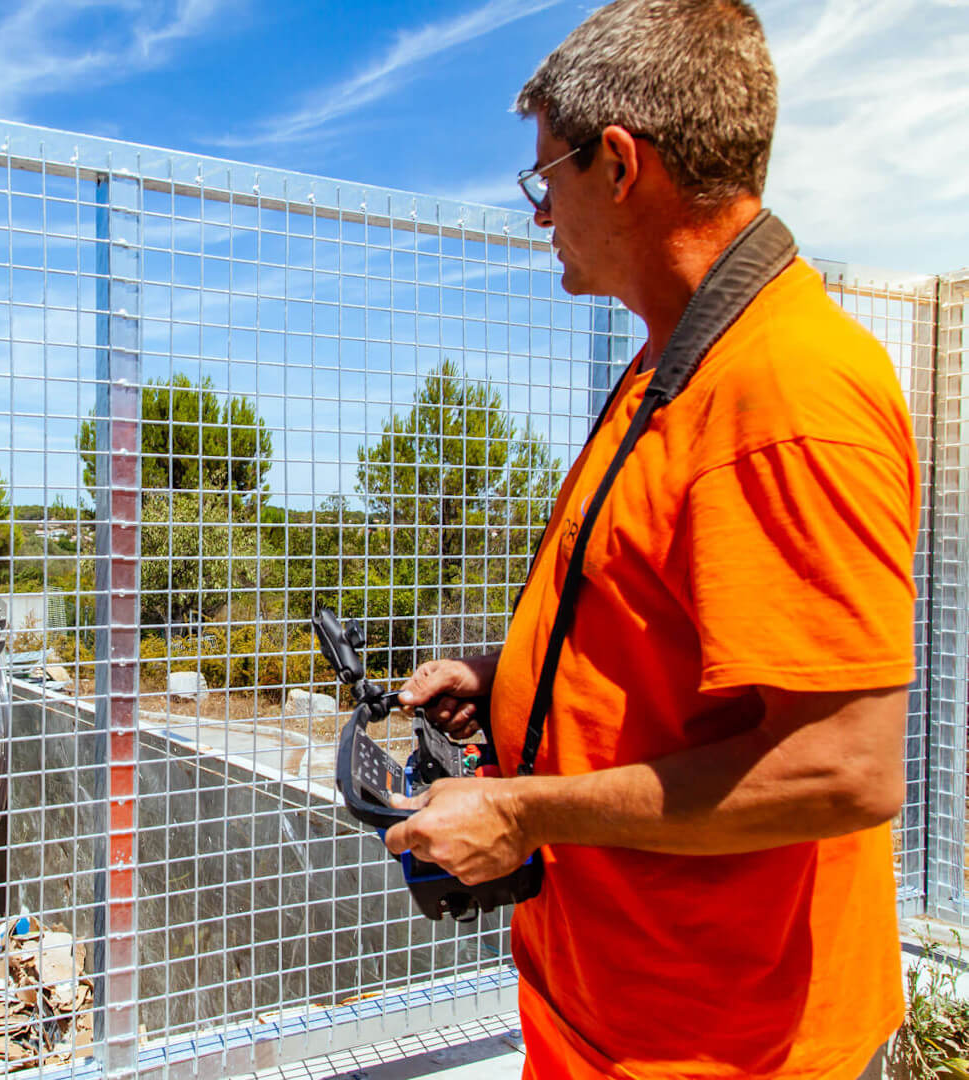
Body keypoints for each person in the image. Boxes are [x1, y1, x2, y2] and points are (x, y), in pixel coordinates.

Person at [383, 1, 918, 1077]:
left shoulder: (786, 393)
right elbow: (663, 619)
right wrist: (506, 677)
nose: (541, 215)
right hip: (612, 1006)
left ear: (619, 165)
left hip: (728, 1045)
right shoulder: (673, 363)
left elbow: (839, 769)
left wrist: (524, 812)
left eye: (547, 180)